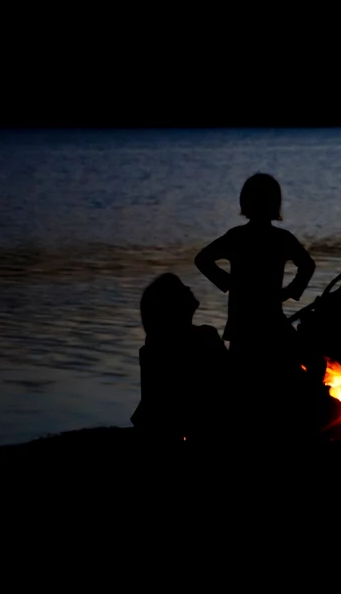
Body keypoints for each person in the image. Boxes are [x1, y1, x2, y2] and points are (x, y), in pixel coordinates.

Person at [195, 173, 315, 380]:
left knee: (244, 379)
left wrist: (229, 284)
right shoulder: (280, 238)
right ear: (275, 204)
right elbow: (307, 265)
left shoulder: (237, 237)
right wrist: (288, 293)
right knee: (307, 366)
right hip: (270, 322)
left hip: (243, 324)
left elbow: (203, 259)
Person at [131, 273, 230, 443]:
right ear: (173, 305)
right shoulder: (205, 336)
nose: (189, 288)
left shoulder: (155, 346)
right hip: (204, 425)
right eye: (183, 288)